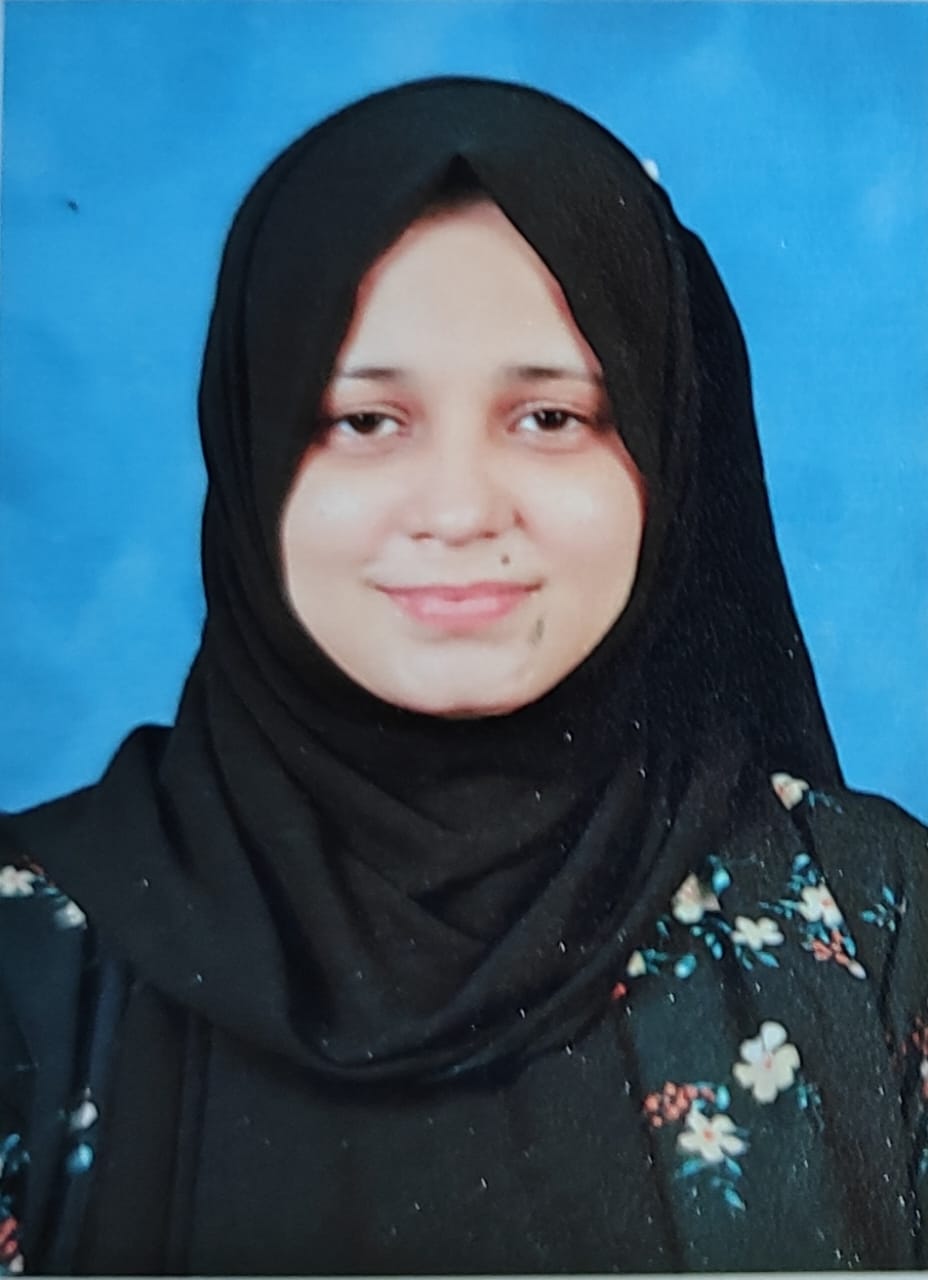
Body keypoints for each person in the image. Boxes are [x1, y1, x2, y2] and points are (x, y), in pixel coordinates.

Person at [0, 76, 925, 1276]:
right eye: (364, 421)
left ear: (663, 447)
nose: (455, 509)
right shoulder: (26, 961)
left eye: (550, 417)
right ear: (251, 446)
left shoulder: (878, 922)